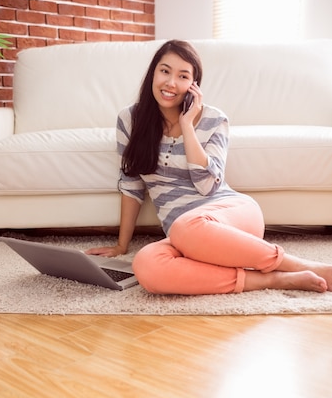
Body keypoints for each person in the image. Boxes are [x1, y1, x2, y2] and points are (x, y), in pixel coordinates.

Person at [86, 40, 332, 295]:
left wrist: (188, 126)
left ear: (194, 86)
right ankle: (274, 279)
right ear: (153, 73)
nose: (171, 83)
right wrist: (121, 245)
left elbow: (206, 185)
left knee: (184, 227)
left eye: (183, 76)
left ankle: (301, 265)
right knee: (146, 265)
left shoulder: (214, 119)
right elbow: (132, 184)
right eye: (165, 71)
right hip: (185, 237)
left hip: (230, 215)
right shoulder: (130, 119)